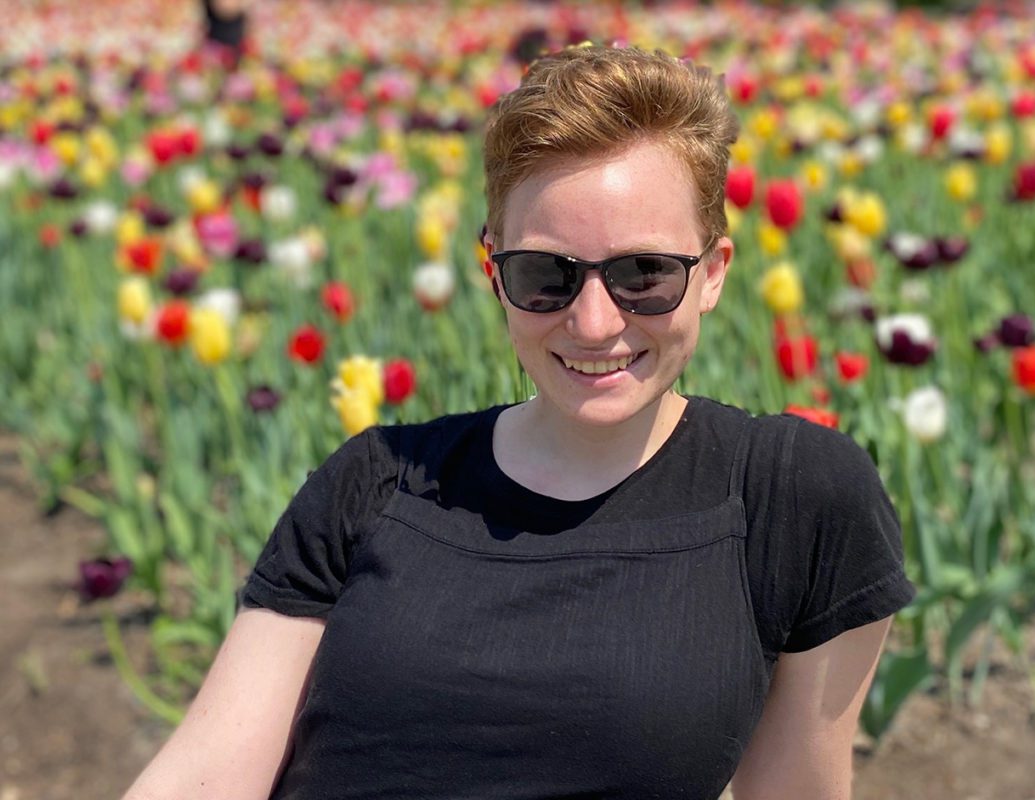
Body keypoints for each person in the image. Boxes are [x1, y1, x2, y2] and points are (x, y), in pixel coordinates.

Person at [123, 45, 914, 800]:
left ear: (713, 274)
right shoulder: (376, 482)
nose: (596, 323)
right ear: (492, 270)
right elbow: (206, 771)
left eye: (645, 273)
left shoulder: (791, 497)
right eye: (546, 276)